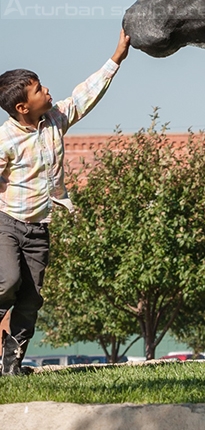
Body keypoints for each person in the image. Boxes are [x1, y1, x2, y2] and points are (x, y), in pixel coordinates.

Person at [0, 29, 130, 376]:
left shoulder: (55, 119)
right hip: (7, 224)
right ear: (22, 107)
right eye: (40, 90)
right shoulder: (6, 140)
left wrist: (115, 58)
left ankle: (11, 367)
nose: (48, 91)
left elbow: (83, 96)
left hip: (40, 227)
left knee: (30, 298)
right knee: (8, 282)